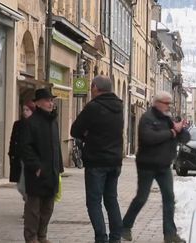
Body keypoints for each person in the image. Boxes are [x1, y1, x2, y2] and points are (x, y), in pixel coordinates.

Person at [122, 91, 190, 243]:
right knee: (142, 197)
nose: (169, 106)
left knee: (169, 198)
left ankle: (170, 234)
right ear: (157, 103)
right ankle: (125, 226)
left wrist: (180, 130)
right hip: (147, 165)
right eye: (166, 103)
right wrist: (172, 132)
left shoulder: (168, 119)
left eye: (170, 103)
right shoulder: (147, 118)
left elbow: (185, 138)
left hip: (164, 166)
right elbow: (148, 138)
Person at [71, 75, 124, 243]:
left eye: (91, 87)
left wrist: (88, 135)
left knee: (94, 202)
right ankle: (115, 238)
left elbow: (75, 130)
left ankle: (101, 238)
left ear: (95, 87)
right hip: (115, 161)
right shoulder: (119, 107)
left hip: (97, 162)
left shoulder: (93, 107)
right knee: (111, 200)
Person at [21, 88, 64, 243]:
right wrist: (36, 167)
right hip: (37, 174)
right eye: (47, 100)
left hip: (52, 172)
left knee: (48, 208)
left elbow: (56, 146)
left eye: (52, 100)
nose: (50, 103)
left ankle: (42, 236)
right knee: (33, 210)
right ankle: (31, 238)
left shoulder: (53, 122)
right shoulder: (31, 123)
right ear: (37, 103)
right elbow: (26, 148)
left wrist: (59, 168)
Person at [9, 100, 36, 201]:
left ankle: (28, 205)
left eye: (27, 110)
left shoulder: (35, 124)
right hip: (19, 157)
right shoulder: (18, 124)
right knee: (20, 185)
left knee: (25, 185)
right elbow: (12, 140)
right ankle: (27, 201)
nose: (24, 112)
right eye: (23, 109)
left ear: (33, 111)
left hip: (29, 158)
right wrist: (11, 154)